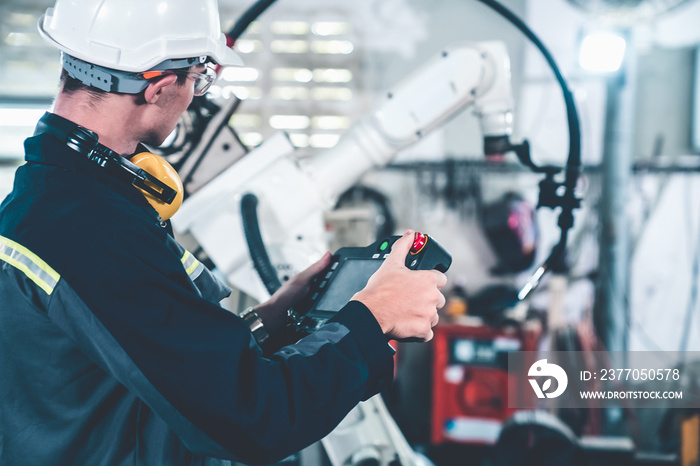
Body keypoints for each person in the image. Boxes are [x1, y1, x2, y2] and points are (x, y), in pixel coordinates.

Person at [0, 1, 446, 465]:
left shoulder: (50, 200)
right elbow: (254, 418)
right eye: (198, 79)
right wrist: (373, 317)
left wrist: (267, 322)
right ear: (160, 86)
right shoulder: (91, 228)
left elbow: (156, 362)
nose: (195, 96)